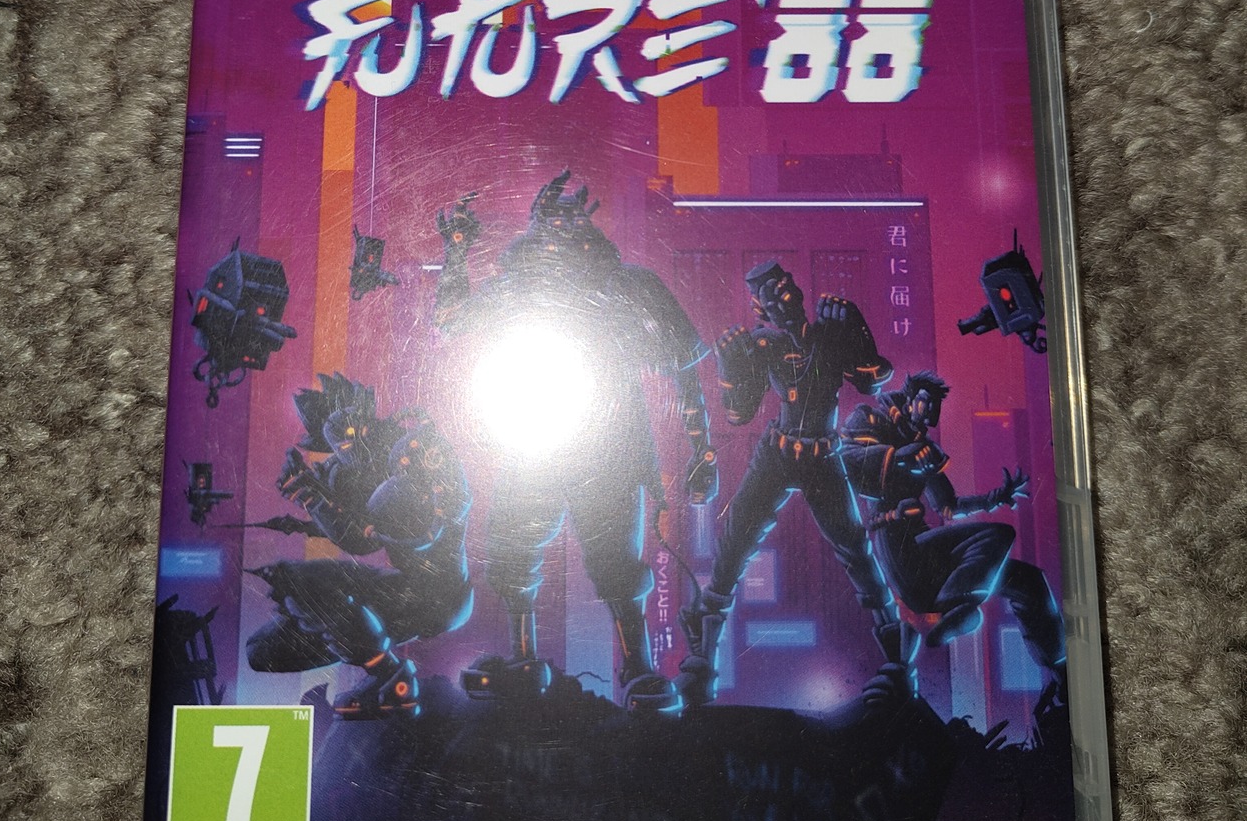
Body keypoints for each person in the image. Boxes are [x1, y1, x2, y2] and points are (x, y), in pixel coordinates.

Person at [435, 170, 716, 712]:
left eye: (570, 221)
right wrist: (456, 252)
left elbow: (684, 361)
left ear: (586, 227)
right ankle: (522, 656)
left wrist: (702, 451)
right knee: (513, 550)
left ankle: (637, 665)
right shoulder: (516, 287)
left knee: (617, 561)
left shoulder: (628, 285)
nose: (561, 233)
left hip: (607, 444)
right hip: (534, 439)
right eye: (551, 221)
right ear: (537, 230)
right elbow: (450, 321)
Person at [679, 259, 917, 707]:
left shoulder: (829, 334)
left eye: (785, 289)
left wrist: (858, 331)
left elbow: (873, 380)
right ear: (760, 307)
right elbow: (739, 413)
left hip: (822, 455)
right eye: (771, 297)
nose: (783, 300)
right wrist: (730, 367)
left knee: (854, 548)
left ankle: (898, 658)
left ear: (797, 289)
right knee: (734, 541)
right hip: (778, 451)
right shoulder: (763, 343)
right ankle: (701, 658)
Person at [246, 373, 472, 719]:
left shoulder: (415, 454)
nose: (343, 448)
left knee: (301, 588)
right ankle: (374, 660)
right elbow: (360, 526)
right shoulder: (356, 465)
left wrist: (313, 499)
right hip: (408, 588)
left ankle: (394, 680)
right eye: (335, 440)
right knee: (263, 648)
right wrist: (310, 495)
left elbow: (368, 537)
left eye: (347, 432)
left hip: (436, 600)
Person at [838, 371, 1066, 700]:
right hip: (901, 552)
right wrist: (898, 457)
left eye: (935, 408)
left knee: (1028, 580)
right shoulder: (871, 420)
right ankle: (957, 607)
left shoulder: (923, 446)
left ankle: (1061, 671)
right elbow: (846, 464)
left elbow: (948, 505)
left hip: (932, 557)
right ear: (910, 398)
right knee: (999, 534)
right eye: (926, 403)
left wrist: (996, 498)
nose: (931, 414)